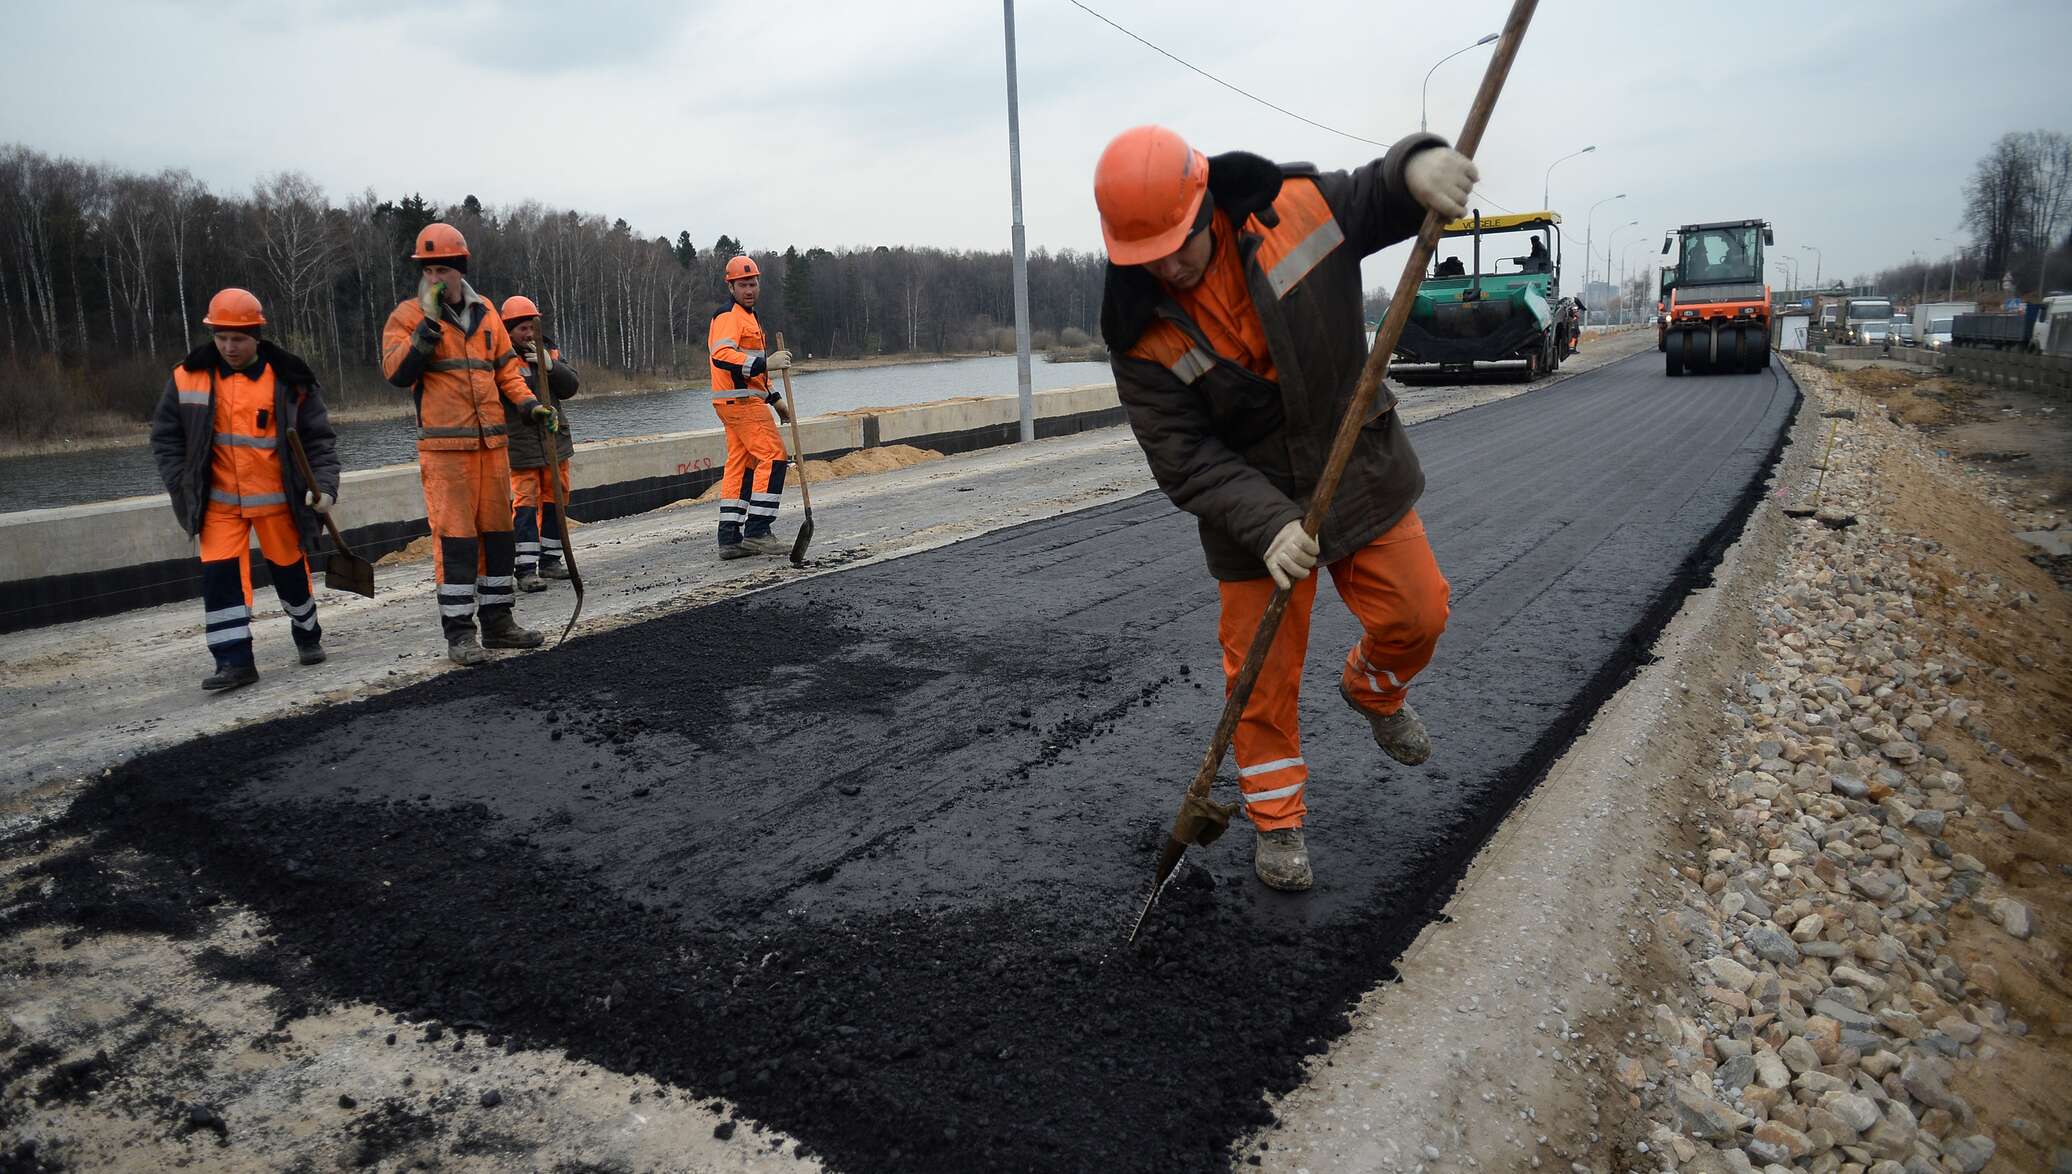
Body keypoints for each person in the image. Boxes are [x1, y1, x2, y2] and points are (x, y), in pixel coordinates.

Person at [1095, 125, 1474, 891]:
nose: (1170, 266)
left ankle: (1373, 689)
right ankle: (1278, 823)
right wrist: (1267, 524)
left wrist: (1417, 167)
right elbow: (1182, 455)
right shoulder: (1139, 335)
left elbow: (1374, 196)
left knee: (1419, 612)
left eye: (1181, 243)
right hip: (1249, 506)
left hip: (1354, 457)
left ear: (1207, 203)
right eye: (1149, 257)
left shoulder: (1291, 208)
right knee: (1260, 677)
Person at [380, 223, 558, 664]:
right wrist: (427, 327)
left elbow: (506, 373)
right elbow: (396, 373)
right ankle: (460, 633)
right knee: (455, 541)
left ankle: (499, 622)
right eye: (429, 271)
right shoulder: (407, 318)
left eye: (443, 269)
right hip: (446, 453)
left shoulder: (487, 317)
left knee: (498, 537)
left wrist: (530, 405)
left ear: (461, 270)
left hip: (492, 449)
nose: (435, 279)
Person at [150, 288, 338, 691]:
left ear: (257, 336)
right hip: (218, 506)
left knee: (292, 577)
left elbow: (319, 440)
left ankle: (307, 633)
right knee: (220, 580)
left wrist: (323, 488)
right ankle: (234, 662)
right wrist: (182, 486)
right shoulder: (187, 377)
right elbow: (166, 438)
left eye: (238, 338)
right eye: (221, 338)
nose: (229, 347)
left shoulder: (290, 379)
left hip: (277, 504)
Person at [707, 256, 794, 558]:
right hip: (740, 401)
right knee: (774, 456)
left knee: (741, 465)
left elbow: (753, 372)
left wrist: (774, 398)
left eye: (753, 283)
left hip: (738, 400)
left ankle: (729, 538)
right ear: (730, 286)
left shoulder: (749, 317)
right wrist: (764, 363)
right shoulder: (729, 316)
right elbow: (723, 355)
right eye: (743, 284)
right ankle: (758, 531)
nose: (749, 289)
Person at [497, 295, 581, 591]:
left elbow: (570, 386)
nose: (529, 334)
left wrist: (550, 367)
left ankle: (550, 560)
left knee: (557, 497)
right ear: (508, 329)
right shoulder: (502, 357)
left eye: (532, 327)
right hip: (522, 444)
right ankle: (525, 568)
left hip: (555, 441)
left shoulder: (549, 350)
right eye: (522, 329)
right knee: (526, 504)